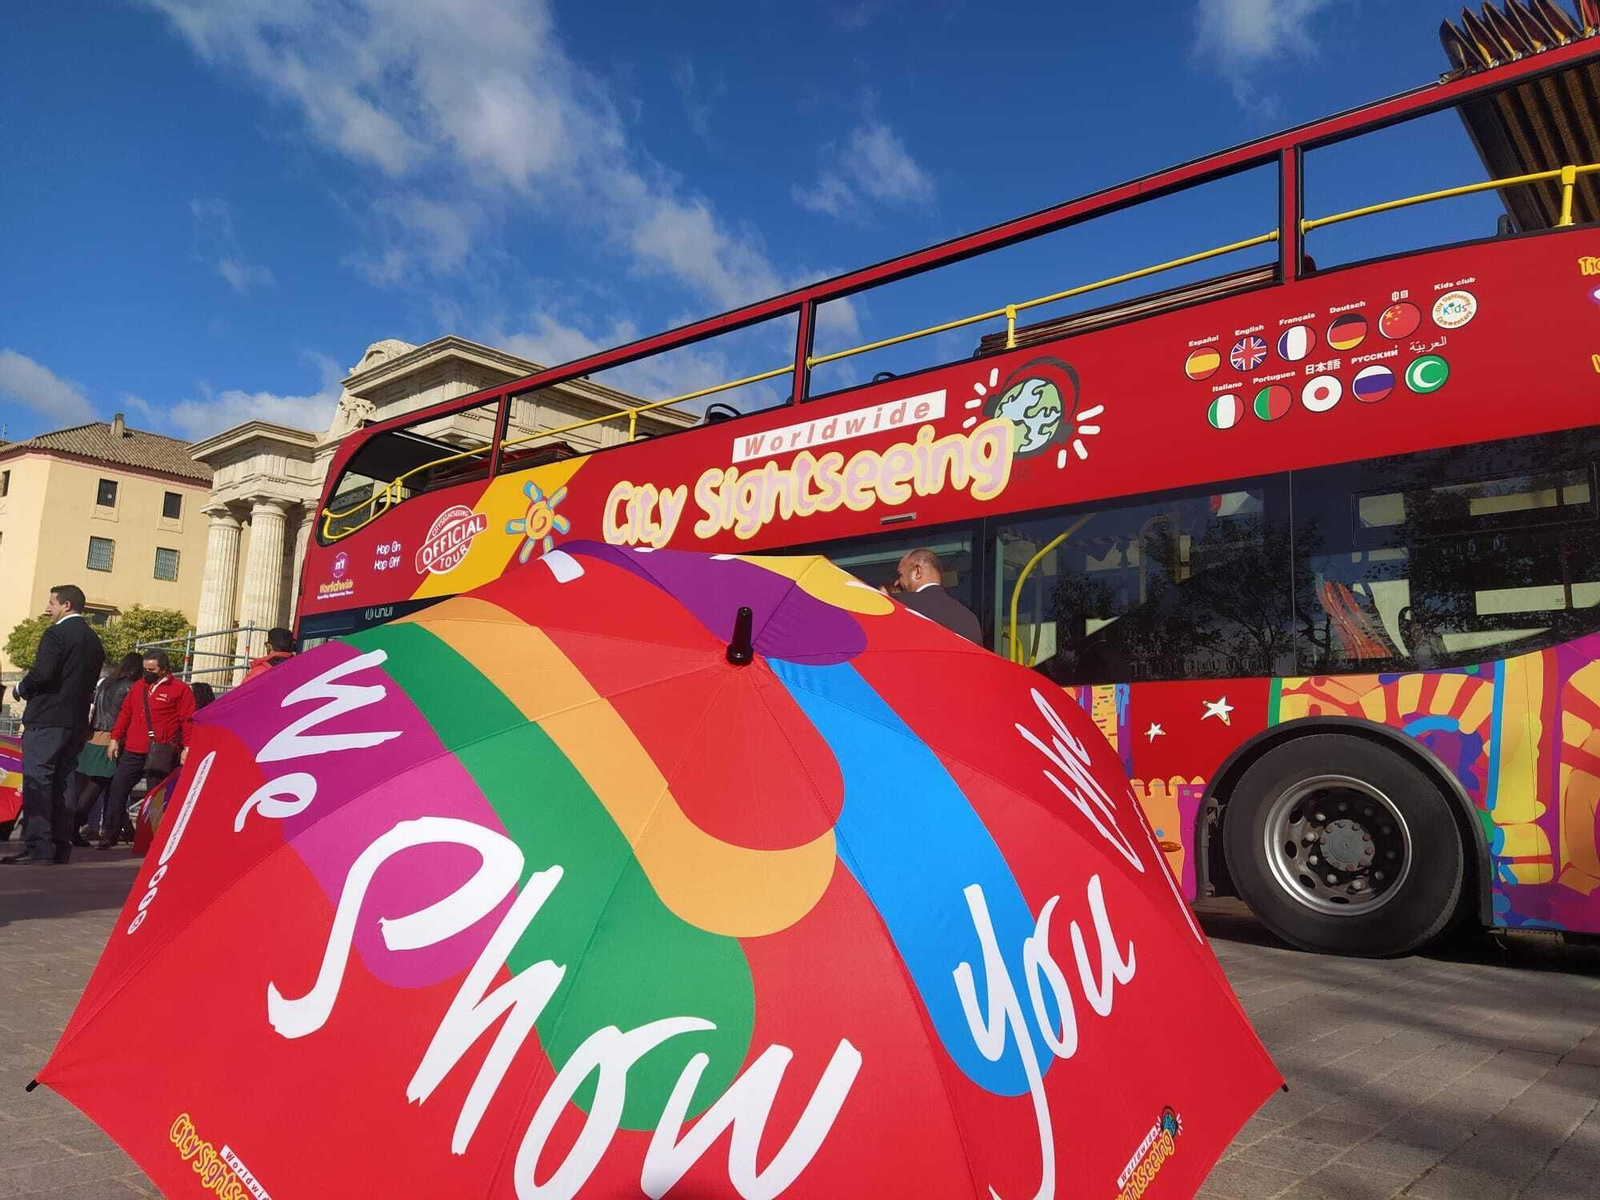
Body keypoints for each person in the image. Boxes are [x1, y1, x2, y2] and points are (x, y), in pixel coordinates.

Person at [3, 585, 105, 865]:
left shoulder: (57, 634)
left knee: (38, 780)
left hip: (47, 719)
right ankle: (61, 846)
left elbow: (43, 674)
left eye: (52, 603)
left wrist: (20, 688)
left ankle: (38, 846)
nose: (48, 609)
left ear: (67, 605)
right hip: (74, 721)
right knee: (65, 781)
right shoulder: (94, 641)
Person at [104, 650, 195, 850]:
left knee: (156, 794)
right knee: (118, 788)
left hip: (160, 749)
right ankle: (109, 833)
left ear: (163, 669)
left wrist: (187, 748)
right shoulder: (138, 687)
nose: (147, 673)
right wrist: (114, 738)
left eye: (151, 670)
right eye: (145, 669)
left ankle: (155, 837)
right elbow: (125, 714)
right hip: (133, 748)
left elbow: (187, 721)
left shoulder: (180, 690)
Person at [71, 653, 142, 848]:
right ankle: (75, 826)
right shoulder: (131, 687)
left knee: (87, 786)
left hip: (93, 736)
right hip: (112, 739)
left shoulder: (106, 683)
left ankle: (76, 828)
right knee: (97, 788)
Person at [894, 548, 983, 645]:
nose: (896, 582)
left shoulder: (900, 605)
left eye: (900, 575)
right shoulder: (970, 619)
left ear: (917, 571)